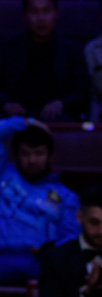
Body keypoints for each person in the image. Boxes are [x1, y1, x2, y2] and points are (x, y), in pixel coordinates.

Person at [0, 116, 79, 286]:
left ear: (50, 156)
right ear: (16, 155)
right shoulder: (3, 173)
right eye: (25, 153)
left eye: (39, 153)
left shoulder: (66, 196)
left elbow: (71, 238)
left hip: (39, 263)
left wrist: (49, 251)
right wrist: (29, 122)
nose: (32, 160)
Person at [0, 0, 89, 121]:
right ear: (24, 15)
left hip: (59, 117)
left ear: (56, 13)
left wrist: (61, 103)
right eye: (34, 12)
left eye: (46, 11)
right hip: (15, 118)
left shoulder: (71, 50)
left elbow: (82, 91)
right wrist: (6, 104)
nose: (41, 18)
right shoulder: (8, 48)